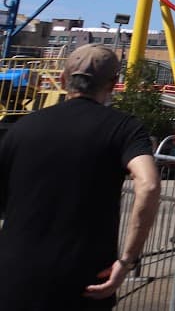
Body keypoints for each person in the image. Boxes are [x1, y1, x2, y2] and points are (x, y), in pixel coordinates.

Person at [0, 45, 160, 309]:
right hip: (86, 280)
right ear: (113, 84)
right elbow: (149, 184)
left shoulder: (21, 128)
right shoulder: (124, 128)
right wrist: (127, 260)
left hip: (14, 274)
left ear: (63, 79)